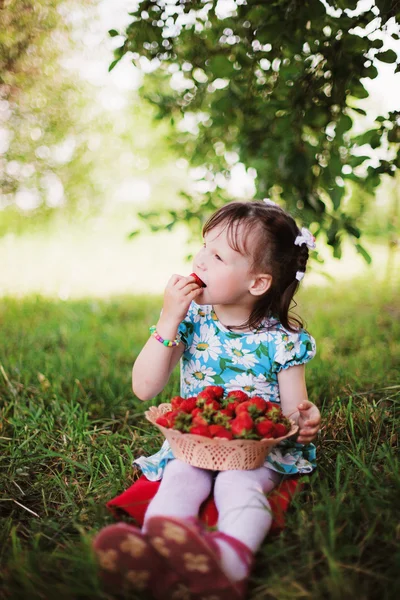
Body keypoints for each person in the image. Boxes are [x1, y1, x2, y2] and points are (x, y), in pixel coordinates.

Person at [92, 200, 321, 600]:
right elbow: (144, 388)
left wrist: (304, 419)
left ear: (258, 283)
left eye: (217, 255)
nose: (200, 259)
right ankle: (157, 554)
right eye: (203, 246)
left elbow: (291, 415)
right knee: (179, 479)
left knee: (237, 485)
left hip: (254, 453)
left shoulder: (282, 341)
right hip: (193, 444)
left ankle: (230, 565)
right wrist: (168, 320)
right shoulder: (192, 322)